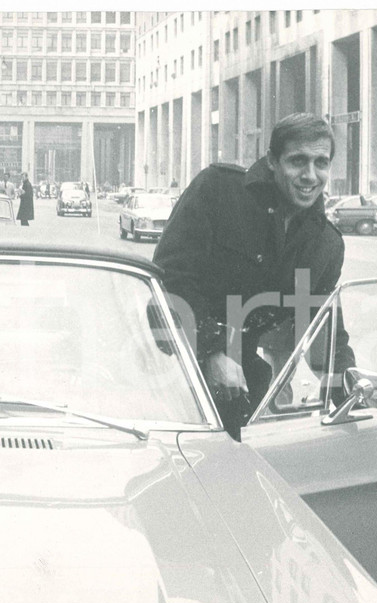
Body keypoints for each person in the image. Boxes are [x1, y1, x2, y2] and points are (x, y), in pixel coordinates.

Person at [152, 112, 355, 439]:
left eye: (321, 162)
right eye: (298, 161)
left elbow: (321, 325)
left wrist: (349, 382)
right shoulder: (218, 189)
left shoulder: (325, 243)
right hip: (172, 363)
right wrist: (213, 350)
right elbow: (171, 279)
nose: (310, 175)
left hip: (242, 384)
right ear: (272, 161)